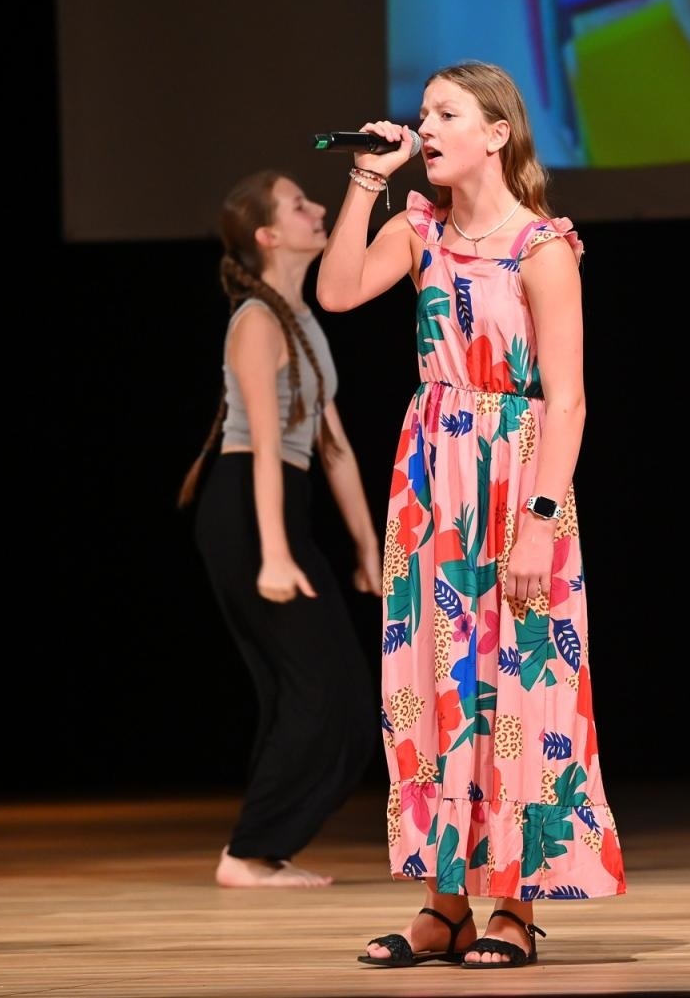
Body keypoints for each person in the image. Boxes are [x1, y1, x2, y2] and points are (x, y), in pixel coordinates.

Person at [317, 61, 626, 969]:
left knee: (518, 686)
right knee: (431, 676)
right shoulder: (421, 232)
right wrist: (368, 178)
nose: (428, 126)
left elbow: (565, 400)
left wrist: (537, 519)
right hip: (433, 474)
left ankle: (516, 906)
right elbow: (335, 292)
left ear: (496, 133)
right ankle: (443, 901)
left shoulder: (542, 246)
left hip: (517, 472)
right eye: (423, 114)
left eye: (445, 113)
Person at [178, 170, 380, 889]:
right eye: (300, 205)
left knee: (325, 695)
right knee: (322, 692)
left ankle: (261, 847)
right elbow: (265, 445)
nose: (318, 209)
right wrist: (272, 554)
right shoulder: (256, 323)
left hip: (277, 510)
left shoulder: (301, 320)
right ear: (268, 236)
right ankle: (248, 852)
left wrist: (368, 549)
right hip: (246, 514)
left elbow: (335, 447)